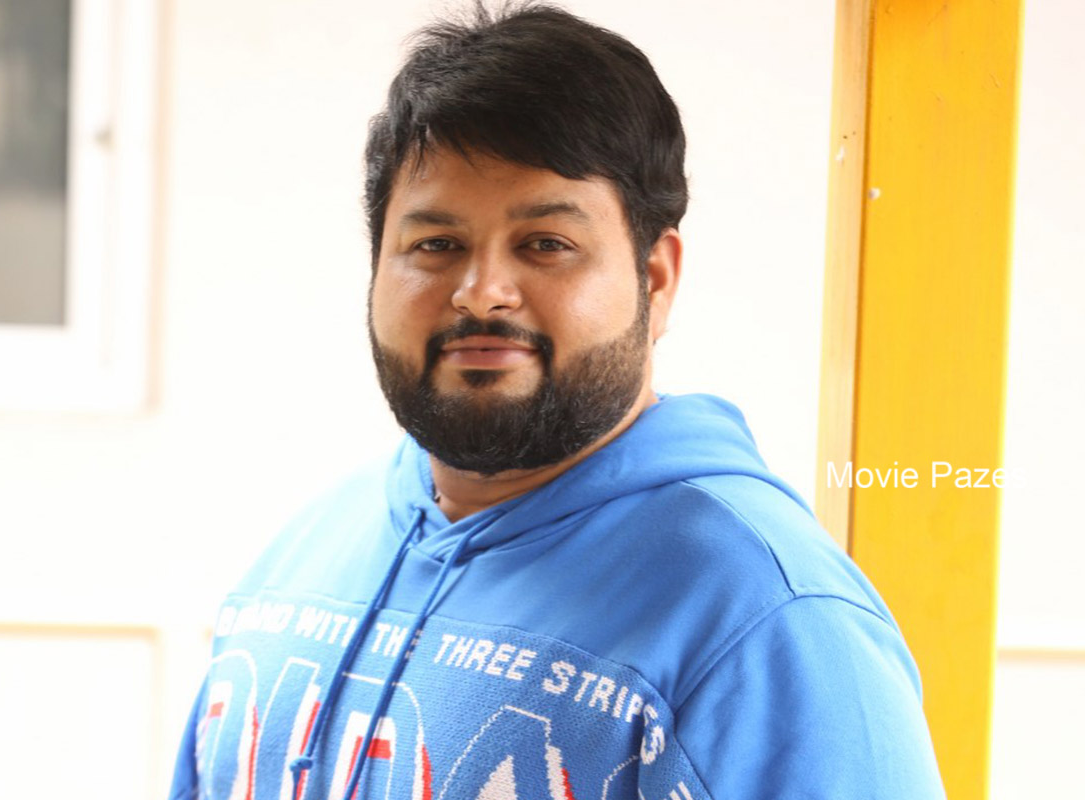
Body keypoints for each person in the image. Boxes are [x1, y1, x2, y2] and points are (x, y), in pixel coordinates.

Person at [169, 3, 946, 798]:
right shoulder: (301, 561)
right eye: (436, 245)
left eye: (546, 244)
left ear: (655, 280)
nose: (482, 292)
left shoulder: (769, 623)